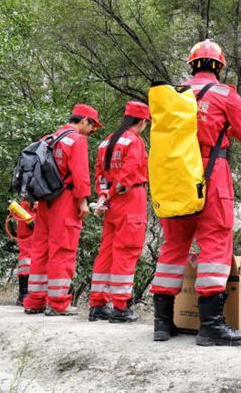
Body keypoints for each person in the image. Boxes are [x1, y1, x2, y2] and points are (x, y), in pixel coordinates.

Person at [150, 40, 241, 346]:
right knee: (215, 241)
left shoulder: (172, 96)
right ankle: (210, 326)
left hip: (173, 179)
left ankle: (161, 323)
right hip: (212, 176)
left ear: (191, 65)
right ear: (220, 67)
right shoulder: (225, 95)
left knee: (173, 245)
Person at [22, 104, 99, 316]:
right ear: (84, 121)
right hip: (65, 200)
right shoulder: (76, 140)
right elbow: (80, 173)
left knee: (40, 248)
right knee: (62, 248)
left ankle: (34, 300)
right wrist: (83, 201)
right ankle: (57, 302)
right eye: (92, 126)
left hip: (45, 200)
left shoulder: (50, 137)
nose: (92, 131)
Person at [88, 101, 151, 323]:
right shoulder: (134, 141)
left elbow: (99, 172)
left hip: (111, 205)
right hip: (130, 200)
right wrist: (113, 192)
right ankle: (121, 307)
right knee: (127, 251)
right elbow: (129, 171)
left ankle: (98, 304)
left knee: (106, 252)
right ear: (142, 121)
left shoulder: (107, 141)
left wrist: (104, 194)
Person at [14, 198, 35, 306]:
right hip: (29, 227)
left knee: (26, 259)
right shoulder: (29, 202)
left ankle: (24, 294)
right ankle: (24, 293)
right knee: (27, 259)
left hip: (26, 222)